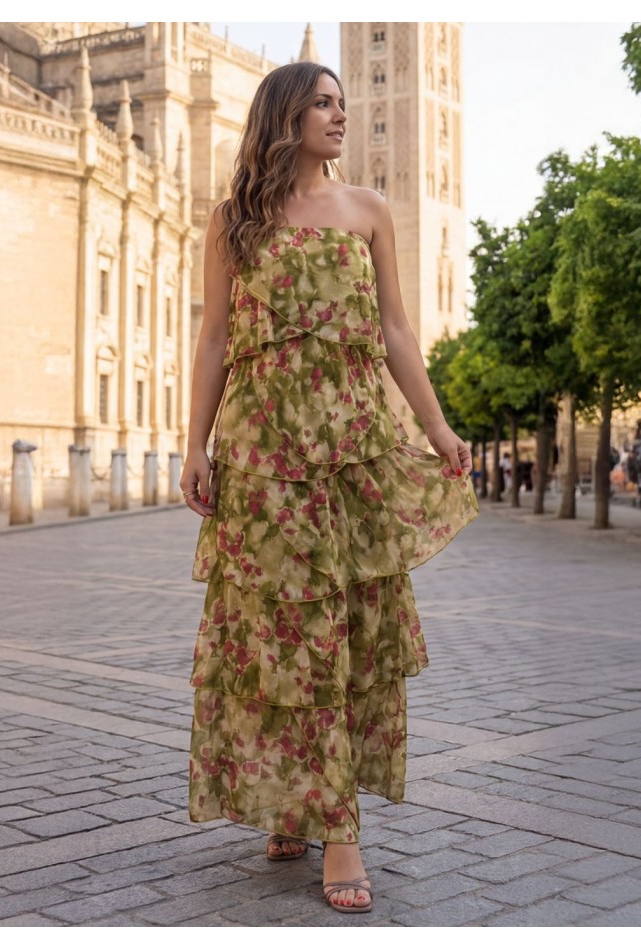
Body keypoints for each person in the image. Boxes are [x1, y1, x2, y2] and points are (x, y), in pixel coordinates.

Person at [180, 61, 479, 916]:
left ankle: (336, 828)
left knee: (339, 634)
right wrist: (193, 445)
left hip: (349, 453)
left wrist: (438, 428)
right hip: (262, 457)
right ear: (284, 113)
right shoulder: (233, 220)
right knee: (275, 636)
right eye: (323, 103)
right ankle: (293, 798)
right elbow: (210, 342)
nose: (340, 116)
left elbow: (394, 330)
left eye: (346, 103)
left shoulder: (370, 212)